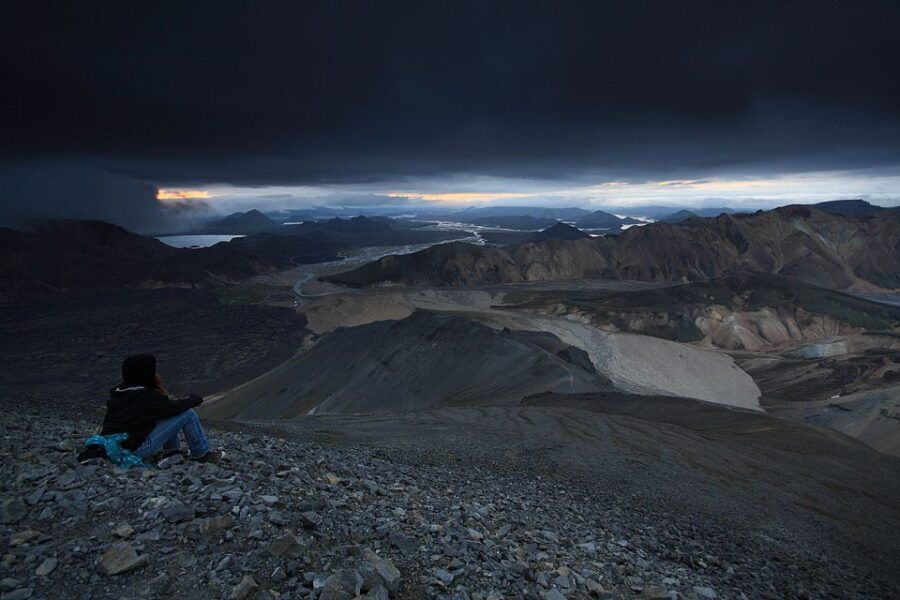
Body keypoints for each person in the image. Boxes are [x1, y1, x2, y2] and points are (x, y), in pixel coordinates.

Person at [94, 354, 223, 463]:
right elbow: (171, 409)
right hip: (136, 449)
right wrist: (193, 400)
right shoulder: (143, 395)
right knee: (188, 414)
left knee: (165, 415)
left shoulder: (121, 392)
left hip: (118, 447)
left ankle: (172, 452)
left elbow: (163, 409)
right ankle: (201, 454)